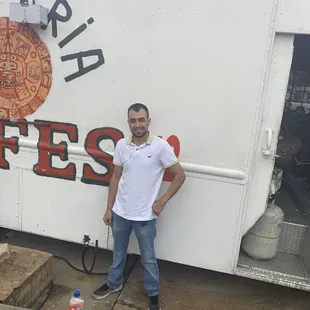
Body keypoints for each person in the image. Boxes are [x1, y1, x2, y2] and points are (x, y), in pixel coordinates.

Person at [92, 103, 186, 310]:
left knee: (148, 259)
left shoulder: (160, 146)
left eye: (141, 120)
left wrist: (163, 201)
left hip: (145, 217)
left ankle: (153, 294)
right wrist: (109, 208)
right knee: (118, 254)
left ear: (148, 121)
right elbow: (115, 177)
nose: (137, 124)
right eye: (133, 120)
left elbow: (180, 175)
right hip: (121, 213)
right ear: (128, 123)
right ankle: (113, 283)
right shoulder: (121, 145)